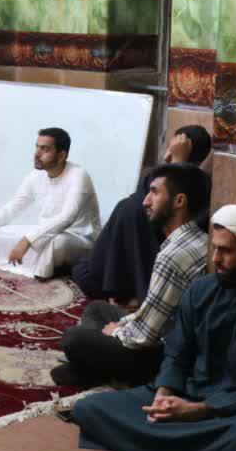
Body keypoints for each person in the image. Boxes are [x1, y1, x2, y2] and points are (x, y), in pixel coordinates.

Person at [71, 205, 236, 451]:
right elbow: (177, 353)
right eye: (214, 248)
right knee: (88, 408)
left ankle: (166, 448)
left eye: (226, 251)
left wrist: (200, 411)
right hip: (186, 396)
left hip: (232, 414)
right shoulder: (201, 291)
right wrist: (164, 394)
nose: (216, 259)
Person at [53, 163, 210, 387]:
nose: (145, 201)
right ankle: (98, 371)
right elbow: (151, 313)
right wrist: (122, 324)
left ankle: (105, 372)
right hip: (164, 336)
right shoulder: (197, 239)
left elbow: (145, 336)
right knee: (96, 310)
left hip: (163, 356)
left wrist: (117, 332)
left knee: (73, 338)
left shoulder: (173, 256)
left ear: (179, 201)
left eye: (154, 192)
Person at [71, 125, 212, 303]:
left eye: (173, 148)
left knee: (129, 208)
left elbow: (154, 217)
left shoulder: (202, 187)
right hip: (129, 252)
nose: (167, 155)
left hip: (153, 259)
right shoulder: (156, 177)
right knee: (82, 269)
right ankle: (120, 290)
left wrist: (178, 163)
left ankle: (125, 294)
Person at [0, 128, 100, 280]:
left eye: (45, 149)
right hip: (45, 232)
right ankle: (41, 263)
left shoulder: (78, 175)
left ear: (62, 155)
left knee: (56, 243)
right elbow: (13, 207)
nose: (37, 153)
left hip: (77, 237)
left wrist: (27, 241)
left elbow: (67, 217)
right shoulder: (36, 176)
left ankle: (43, 268)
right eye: (37, 147)